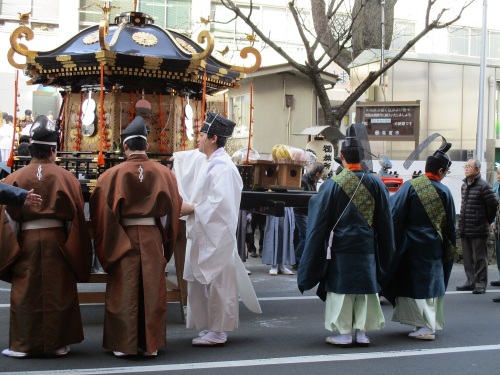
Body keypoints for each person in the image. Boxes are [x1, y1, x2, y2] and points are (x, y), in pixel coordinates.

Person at [0, 115, 91, 358]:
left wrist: (15, 244)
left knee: (25, 290)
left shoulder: (13, 179)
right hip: (58, 241)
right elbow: (75, 218)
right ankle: (58, 343)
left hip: (26, 240)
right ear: (54, 151)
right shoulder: (67, 178)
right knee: (58, 289)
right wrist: (73, 247)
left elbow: (7, 220)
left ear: (30, 149)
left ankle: (22, 344)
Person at [90, 116, 182, 357]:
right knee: (153, 288)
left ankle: (124, 344)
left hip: (122, 234)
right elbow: (171, 213)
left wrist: (109, 244)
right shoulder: (166, 174)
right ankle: (150, 345)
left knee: (123, 288)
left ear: (125, 147)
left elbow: (101, 214)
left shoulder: (110, 175)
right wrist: (164, 239)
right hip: (151, 234)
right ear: (147, 146)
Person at [297, 124, 394, 348]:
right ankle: (361, 333)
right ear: (362, 156)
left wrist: (312, 252)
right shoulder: (376, 183)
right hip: (367, 246)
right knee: (365, 289)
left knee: (341, 289)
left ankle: (342, 333)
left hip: (340, 247)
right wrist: (388, 249)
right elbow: (385, 221)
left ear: (341, 157)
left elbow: (319, 220)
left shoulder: (332, 185)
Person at [172, 111, 261, 347]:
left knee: (219, 283)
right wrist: (175, 159)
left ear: (212, 138)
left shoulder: (223, 167)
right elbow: (190, 159)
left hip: (218, 233)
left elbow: (220, 204)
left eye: (201, 135)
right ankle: (212, 326)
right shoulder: (211, 161)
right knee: (204, 281)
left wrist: (192, 208)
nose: (197, 139)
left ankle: (219, 330)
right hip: (207, 231)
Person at [384, 143, 456, 340]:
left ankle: (424, 326)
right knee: (429, 286)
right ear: (440, 171)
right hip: (434, 246)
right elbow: (451, 226)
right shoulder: (445, 192)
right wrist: (449, 249)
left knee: (412, 285)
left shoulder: (410, 187)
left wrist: (393, 241)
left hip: (411, 245)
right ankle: (425, 324)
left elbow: (394, 215)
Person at [456, 159, 497, 294]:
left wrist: (486, 220)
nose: (466, 169)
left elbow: (492, 205)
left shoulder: (484, 186)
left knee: (479, 258)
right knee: (467, 258)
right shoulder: (464, 185)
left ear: (477, 170)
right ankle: (470, 281)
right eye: (465, 166)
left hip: (479, 227)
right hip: (465, 226)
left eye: (469, 166)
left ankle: (481, 283)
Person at [293, 162, 324, 269]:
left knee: (303, 237)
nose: (320, 176)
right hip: (301, 212)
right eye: (320, 174)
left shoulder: (311, 180)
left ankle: (298, 260)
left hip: (306, 212)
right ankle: (297, 259)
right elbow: (304, 198)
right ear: (317, 173)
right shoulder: (304, 180)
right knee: (306, 237)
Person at [262, 207, 296, 275]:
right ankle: (273, 265)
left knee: (285, 236)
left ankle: (282, 265)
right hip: (274, 207)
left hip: (287, 207)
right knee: (274, 234)